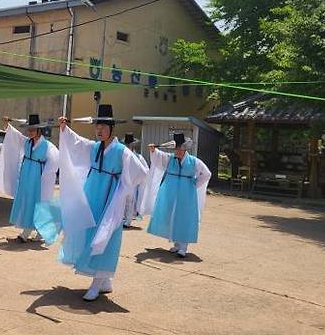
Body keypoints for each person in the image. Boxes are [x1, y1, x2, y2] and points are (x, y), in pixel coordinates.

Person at [56, 104, 148, 301]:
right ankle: (104, 281)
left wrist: (123, 188)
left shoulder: (121, 151)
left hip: (109, 200)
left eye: (103, 127)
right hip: (92, 195)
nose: (99, 130)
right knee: (91, 234)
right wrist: (65, 129)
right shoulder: (95, 147)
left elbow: (141, 172)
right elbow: (77, 143)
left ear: (112, 129)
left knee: (105, 236)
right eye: (97, 127)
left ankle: (96, 284)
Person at [139, 133, 212, 258]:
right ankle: (177, 244)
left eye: (179, 149)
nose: (177, 151)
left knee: (184, 218)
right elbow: (159, 158)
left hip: (186, 194)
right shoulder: (170, 158)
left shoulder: (194, 162)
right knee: (172, 216)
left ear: (184, 149)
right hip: (170, 192)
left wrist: (194, 185)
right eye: (176, 149)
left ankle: (183, 247)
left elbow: (206, 174)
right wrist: (153, 150)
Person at [0, 114, 59, 243]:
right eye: (29, 129)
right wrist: (7, 126)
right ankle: (37, 232)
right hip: (27, 176)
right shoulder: (27, 142)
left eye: (33, 129)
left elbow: (54, 162)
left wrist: (45, 179)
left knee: (36, 203)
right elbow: (15, 137)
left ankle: (27, 234)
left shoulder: (48, 146)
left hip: (38, 179)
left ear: (39, 130)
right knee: (26, 202)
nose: (30, 132)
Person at [122, 133, 149, 228]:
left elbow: (145, 170)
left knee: (130, 201)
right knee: (121, 201)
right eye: (127, 144)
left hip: (132, 182)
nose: (128, 145)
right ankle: (122, 218)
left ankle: (127, 221)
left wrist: (138, 180)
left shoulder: (138, 157)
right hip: (122, 181)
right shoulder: (122, 155)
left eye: (130, 144)